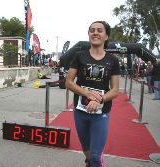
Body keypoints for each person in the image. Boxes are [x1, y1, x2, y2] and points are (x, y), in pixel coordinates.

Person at [65, 21, 119, 167]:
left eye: (99, 30)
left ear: (106, 36)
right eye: (92, 30)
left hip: (101, 113)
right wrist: (87, 93)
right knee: (87, 152)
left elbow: (115, 90)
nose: (95, 33)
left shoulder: (113, 60)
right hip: (80, 111)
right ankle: (89, 162)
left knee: (96, 156)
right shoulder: (79, 56)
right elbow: (69, 82)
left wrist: (100, 99)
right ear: (88, 34)